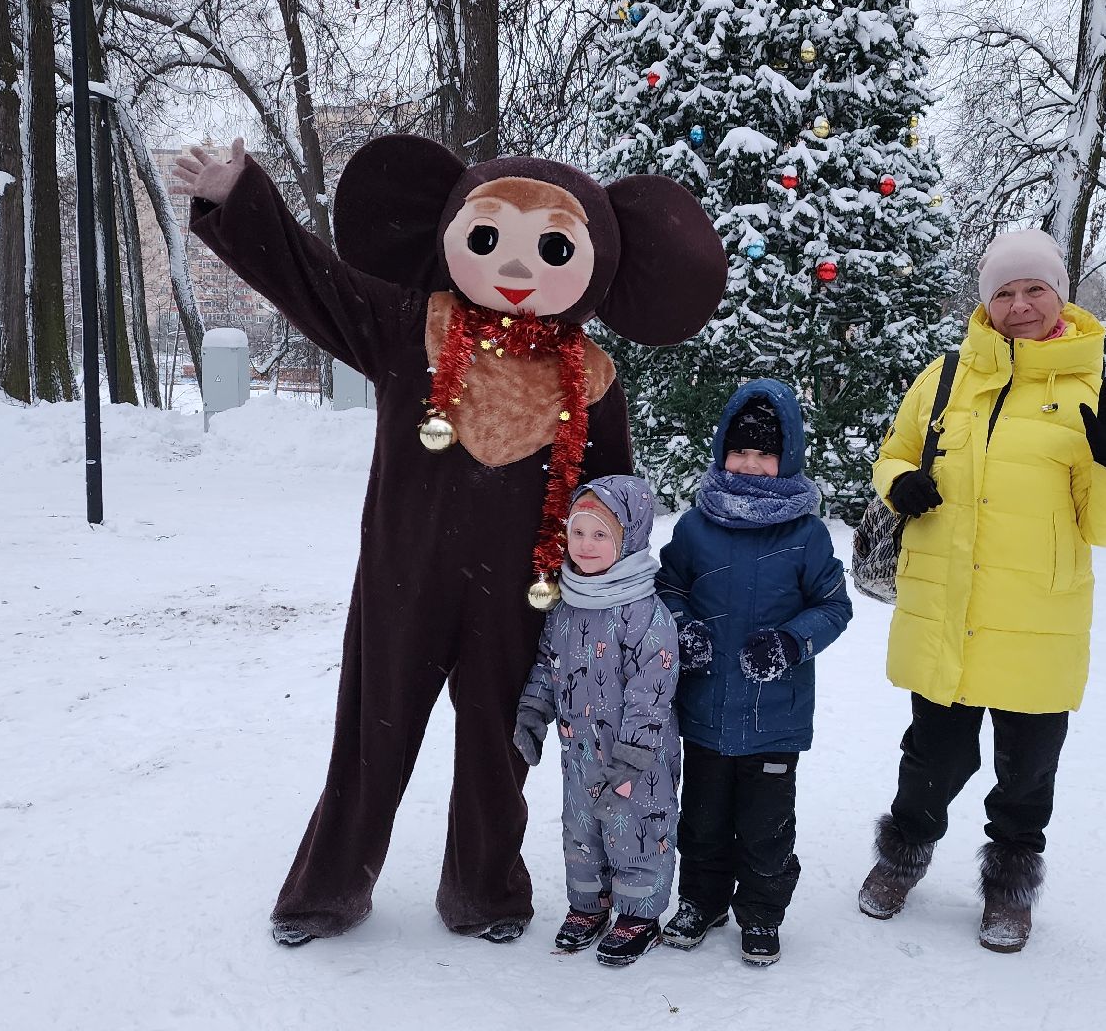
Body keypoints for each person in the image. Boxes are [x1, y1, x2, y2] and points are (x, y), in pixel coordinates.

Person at [173, 135, 722, 945]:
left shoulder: (594, 382)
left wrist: (616, 603)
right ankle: (328, 889)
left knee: (501, 750)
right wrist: (241, 196)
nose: (518, 267)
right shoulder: (410, 327)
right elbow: (310, 279)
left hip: (523, 597)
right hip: (404, 581)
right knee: (372, 733)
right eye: (490, 236)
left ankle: (486, 892)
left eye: (554, 248)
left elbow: (613, 504)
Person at [857, 228, 1106, 953]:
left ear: (1060, 294)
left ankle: (1010, 891)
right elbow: (892, 452)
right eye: (1003, 292)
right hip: (946, 609)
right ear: (985, 300)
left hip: (1037, 620)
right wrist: (903, 483)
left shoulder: (1089, 391)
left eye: (1034, 289)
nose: (1019, 305)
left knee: (1026, 775)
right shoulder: (945, 377)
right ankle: (902, 857)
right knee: (933, 758)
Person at [653, 380, 853, 966]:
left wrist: (792, 642)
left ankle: (762, 915)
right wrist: (683, 625)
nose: (749, 464)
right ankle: (702, 899)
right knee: (704, 819)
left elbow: (834, 605)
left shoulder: (805, 535)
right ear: (721, 453)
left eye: (764, 453)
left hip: (775, 715)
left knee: (766, 828)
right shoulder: (695, 527)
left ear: (785, 458)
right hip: (706, 709)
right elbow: (667, 586)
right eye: (739, 452)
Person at [513, 475, 681, 967]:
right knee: (581, 831)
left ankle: (638, 914)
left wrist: (631, 763)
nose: (585, 546)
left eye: (601, 535)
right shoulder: (566, 605)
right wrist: (533, 714)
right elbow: (548, 664)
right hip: (579, 751)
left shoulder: (647, 615)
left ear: (627, 539)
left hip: (636, 761)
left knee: (636, 833)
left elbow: (651, 696)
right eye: (578, 532)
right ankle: (589, 905)